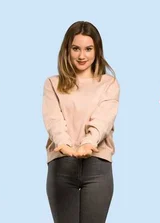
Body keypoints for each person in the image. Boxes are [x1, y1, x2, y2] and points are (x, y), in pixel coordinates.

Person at [42, 21, 119, 223]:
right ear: (67, 50)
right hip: (62, 164)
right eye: (76, 48)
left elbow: (103, 118)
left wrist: (89, 142)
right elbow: (53, 119)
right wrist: (65, 144)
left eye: (88, 49)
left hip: (97, 165)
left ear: (97, 51)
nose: (82, 56)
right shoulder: (53, 83)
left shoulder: (108, 83)